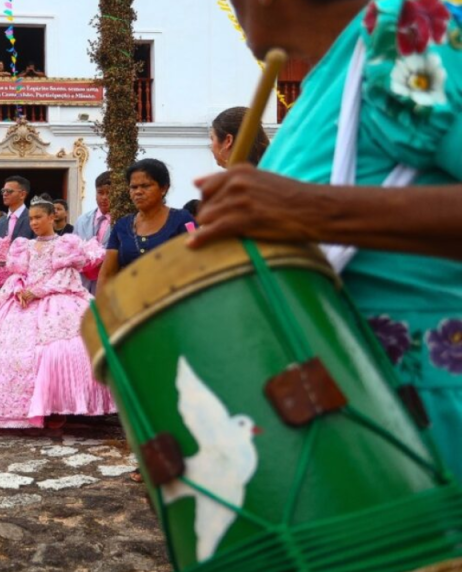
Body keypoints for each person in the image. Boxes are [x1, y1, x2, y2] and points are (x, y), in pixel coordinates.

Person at [191, 0, 462, 478]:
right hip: (350, 424)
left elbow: (302, 210)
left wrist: (313, 210)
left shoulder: (404, 32)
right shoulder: (323, 85)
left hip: (430, 422)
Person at [0, 196, 113, 428]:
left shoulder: (65, 244)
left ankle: (58, 406)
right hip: (24, 303)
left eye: (39, 217)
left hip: (57, 301)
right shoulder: (23, 245)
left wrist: (37, 292)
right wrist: (19, 288)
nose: (34, 223)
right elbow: (18, 274)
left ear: (51, 217)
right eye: (32, 218)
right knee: (6, 354)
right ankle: (20, 409)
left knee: (58, 351)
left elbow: (66, 278)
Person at [97, 159, 195, 295]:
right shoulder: (122, 226)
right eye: (133, 187)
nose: (138, 192)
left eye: (146, 186)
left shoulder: (182, 220)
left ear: (163, 188)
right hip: (130, 306)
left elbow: (197, 263)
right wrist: (102, 310)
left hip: (173, 304)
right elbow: (107, 275)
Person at [74, 171, 114, 293]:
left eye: (109, 193)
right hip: (83, 284)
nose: (104, 197)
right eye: (100, 193)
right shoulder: (81, 220)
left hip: (109, 283)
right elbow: (73, 248)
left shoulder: (123, 221)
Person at [0, 176, 36, 241]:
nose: (5, 194)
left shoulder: (33, 219)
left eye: (9, 191)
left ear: (22, 194)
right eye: (3, 191)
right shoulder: (0, 222)